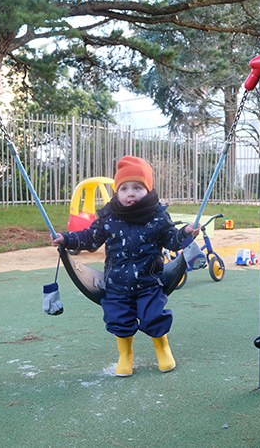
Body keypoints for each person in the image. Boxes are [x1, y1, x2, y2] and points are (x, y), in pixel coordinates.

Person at [51, 156, 199, 377]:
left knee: (154, 316)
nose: (131, 193)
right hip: (116, 285)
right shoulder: (108, 218)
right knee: (118, 318)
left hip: (149, 282)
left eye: (137, 187)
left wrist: (184, 233)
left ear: (148, 190)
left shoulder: (158, 216)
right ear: (116, 192)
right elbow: (90, 238)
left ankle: (163, 348)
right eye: (124, 188)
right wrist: (67, 239)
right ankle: (125, 356)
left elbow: (171, 239)